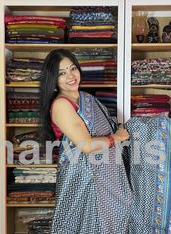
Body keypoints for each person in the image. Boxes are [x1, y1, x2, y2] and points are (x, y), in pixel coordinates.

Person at [39, 49, 133, 233]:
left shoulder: (87, 98)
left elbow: (109, 127)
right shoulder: (61, 104)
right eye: (62, 73)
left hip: (108, 175)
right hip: (82, 179)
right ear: (53, 78)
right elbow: (87, 145)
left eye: (73, 68)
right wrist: (118, 137)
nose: (71, 76)